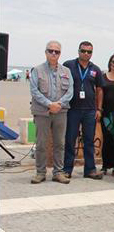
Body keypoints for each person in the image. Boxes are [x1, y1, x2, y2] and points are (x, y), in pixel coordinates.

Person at [29, 41, 74, 184]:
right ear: (46, 52)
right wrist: (49, 104)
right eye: (51, 51)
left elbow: (70, 90)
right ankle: (40, 172)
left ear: (60, 54)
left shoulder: (66, 71)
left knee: (60, 143)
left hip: (61, 112)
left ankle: (58, 172)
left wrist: (58, 104)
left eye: (57, 51)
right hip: (42, 112)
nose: (54, 53)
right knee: (41, 143)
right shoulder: (37, 70)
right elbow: (34, 91)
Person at [63, 41, 104, 180]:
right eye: (83, 51)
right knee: (70, 140)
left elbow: (99, 90)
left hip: (90, 111)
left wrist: (99, 108)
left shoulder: (96, 69)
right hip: (72, 109)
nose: (86, 54)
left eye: (89, 52)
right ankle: (67, 169)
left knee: (89, 141)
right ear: (78, 51)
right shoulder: (69, 65)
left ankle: (90, 170)